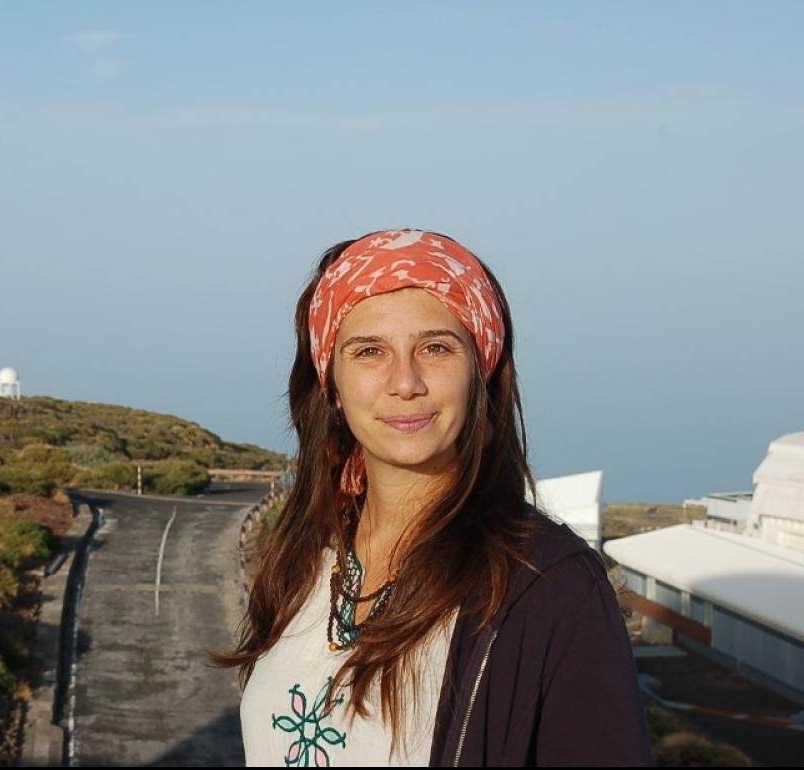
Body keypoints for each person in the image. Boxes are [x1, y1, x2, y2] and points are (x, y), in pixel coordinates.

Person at [212, 229, 651, 766]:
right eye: (369, 351)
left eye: (436, 348)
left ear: (479, 372)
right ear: (332, 384)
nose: (405, 382)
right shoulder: (306, 557)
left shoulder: (549, 586)